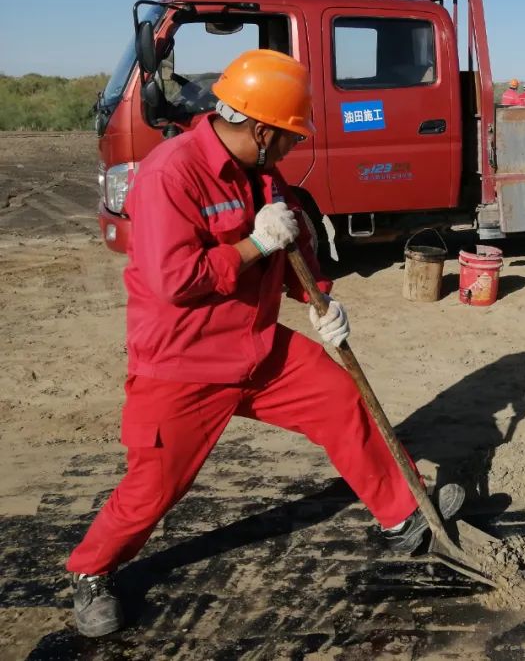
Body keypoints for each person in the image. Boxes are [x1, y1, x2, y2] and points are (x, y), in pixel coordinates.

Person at [66, 50, 463, 637]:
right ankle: (91, 571)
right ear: (259, 127)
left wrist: (322, 302)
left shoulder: (261, 172)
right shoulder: (171, 173)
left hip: (257, 345)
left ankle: (403, 515)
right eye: (287, 139)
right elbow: (176, 281)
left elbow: (290, 247)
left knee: (340, 400)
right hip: (184, 360)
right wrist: (253, 245)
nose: (290, 151)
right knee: (155, 483)